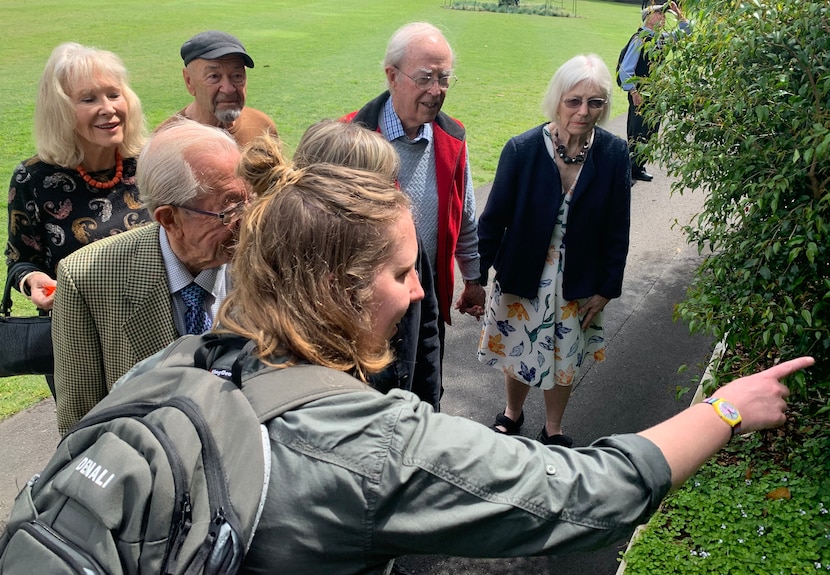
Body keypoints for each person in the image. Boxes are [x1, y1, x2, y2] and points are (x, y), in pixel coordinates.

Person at [151, 158, 808, 573]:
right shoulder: (373, 444)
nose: (416, 292)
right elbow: (586, 493)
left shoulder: (172, 364)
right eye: (403, 272)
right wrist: (725, 408)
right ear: (331, 288)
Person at [52, 119, 247, 434]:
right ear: (169, 218)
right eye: (229, 210)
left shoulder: (270, 258)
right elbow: (81, 425)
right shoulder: (87, 279)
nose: (247, 222)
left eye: (248, 199)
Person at [477, 54, 631, 447]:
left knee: (565, 355)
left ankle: (554, 427)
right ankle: (512, 412)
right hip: (524, 270)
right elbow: (493, 220)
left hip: (580, 277)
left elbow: (617, 227)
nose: (583, 111)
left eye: (595, 102)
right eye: (574, 100)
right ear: (557, 100)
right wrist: (475, 280)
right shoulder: (522, 149)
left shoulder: (613, 154)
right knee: (517, 345)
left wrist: (608, 286)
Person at [238, 119, 442, 408]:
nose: (383, 204)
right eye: (370, 191)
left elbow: (426, 328)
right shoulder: (281, 264)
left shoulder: (402, 242)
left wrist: (429, 408)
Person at [5, 42, 151, 399]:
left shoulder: (150, 162)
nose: (108, 109)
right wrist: (33, 281)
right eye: (88, 99)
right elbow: (20, 259)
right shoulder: (33, 179)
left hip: (152, 330)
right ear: (59, 110)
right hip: (80, 345)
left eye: (114, 94)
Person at [341, 22, 486, 349]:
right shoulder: (349, 138)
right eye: (425, 78)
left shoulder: (453, 138)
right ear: (392, 76)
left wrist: (473, 280)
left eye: (444, 78)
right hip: (363, 310)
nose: (437, 91)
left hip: (428, 304)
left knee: (427, 395)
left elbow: (464, 219)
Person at [157, 30, 277, 147]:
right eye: (214, 76)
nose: (228, 89)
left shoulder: (262, 128)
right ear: (189, 81)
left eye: (237, 76)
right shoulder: (165, 144)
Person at [618, 0, 691, 182]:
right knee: (637, 130)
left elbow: (687, 32)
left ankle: (638, 167)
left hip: (656, 93)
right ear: (648, 18)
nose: (662, 17)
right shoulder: (639, 39)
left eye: (663, 14)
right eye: (658, 14)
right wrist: (634, 92)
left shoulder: (661, 39)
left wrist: (679, 13)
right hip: (641, 92)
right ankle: (630, 169)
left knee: (651, 131)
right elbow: (626, 69)